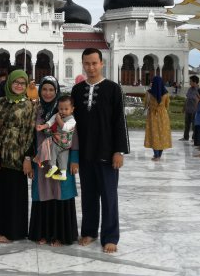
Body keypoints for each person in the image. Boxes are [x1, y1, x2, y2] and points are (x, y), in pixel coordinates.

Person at [71, 48, 130, 254]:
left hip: (107, 153)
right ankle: (89, 231)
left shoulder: (113, 89)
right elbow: (72, 124)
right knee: (88, 195)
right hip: (86, 153)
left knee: (109, 196)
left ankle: (110, 236)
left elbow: (119, 122)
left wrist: (119, 151)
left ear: (101, 63)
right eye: (87, 63)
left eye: (94, 63)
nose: (91, 67)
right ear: (83, 64)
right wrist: (73, 155)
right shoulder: (77, 91)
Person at [28, 76, 79, 246]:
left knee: (60, 194)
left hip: (62, 157)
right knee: (43, 194)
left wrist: (74, 160)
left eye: (51, 89)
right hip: (42, 160)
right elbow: (29, 137)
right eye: (44, 89)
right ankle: (42, 233)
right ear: (40, 91)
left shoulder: (64, 111)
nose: (48, 93)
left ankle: (59, 235)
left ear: (56, 91)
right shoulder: (37, 110)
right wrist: (28, 159)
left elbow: (74, 137)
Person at [0, 69, 37, 243]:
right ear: (9, 83)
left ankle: (14, 231)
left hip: (18, 156)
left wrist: (27, 158)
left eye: (22, 83)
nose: (19, 86)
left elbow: (30, 133)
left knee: (16, 195)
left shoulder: (29, 106)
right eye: (16, 82)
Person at [35, 95, 76, 180]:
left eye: (66, 109)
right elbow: (50, 123)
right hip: (60, 142)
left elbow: (65, 127)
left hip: (64, 143)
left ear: (72, 109)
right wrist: (42, 127)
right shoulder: (56, 115)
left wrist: (58, 119)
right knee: (61, 157)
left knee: (53, 151)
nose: (63, 111)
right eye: (61, 109)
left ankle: (53, 166)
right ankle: (62, 174)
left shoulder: (72, 120)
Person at [144, 76, 172, 161]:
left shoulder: (149, 93)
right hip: (163, 116)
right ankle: (159, 155)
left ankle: (156, 155)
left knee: (154, 134)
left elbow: (145, 104)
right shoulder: (166, 93)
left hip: (152, 115)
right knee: (162, 134)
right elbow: (167, 105)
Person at [180, 75, 199, 141]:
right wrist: (184, 108)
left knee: (194, 125)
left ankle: (194, 138)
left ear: (195, 82)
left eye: (190, 81)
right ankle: (185, 137)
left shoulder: (199, 90)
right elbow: (187, 99)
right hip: (188, 110)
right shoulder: (190, 89)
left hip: (194, 111)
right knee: (187, 125)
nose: (189, 83)